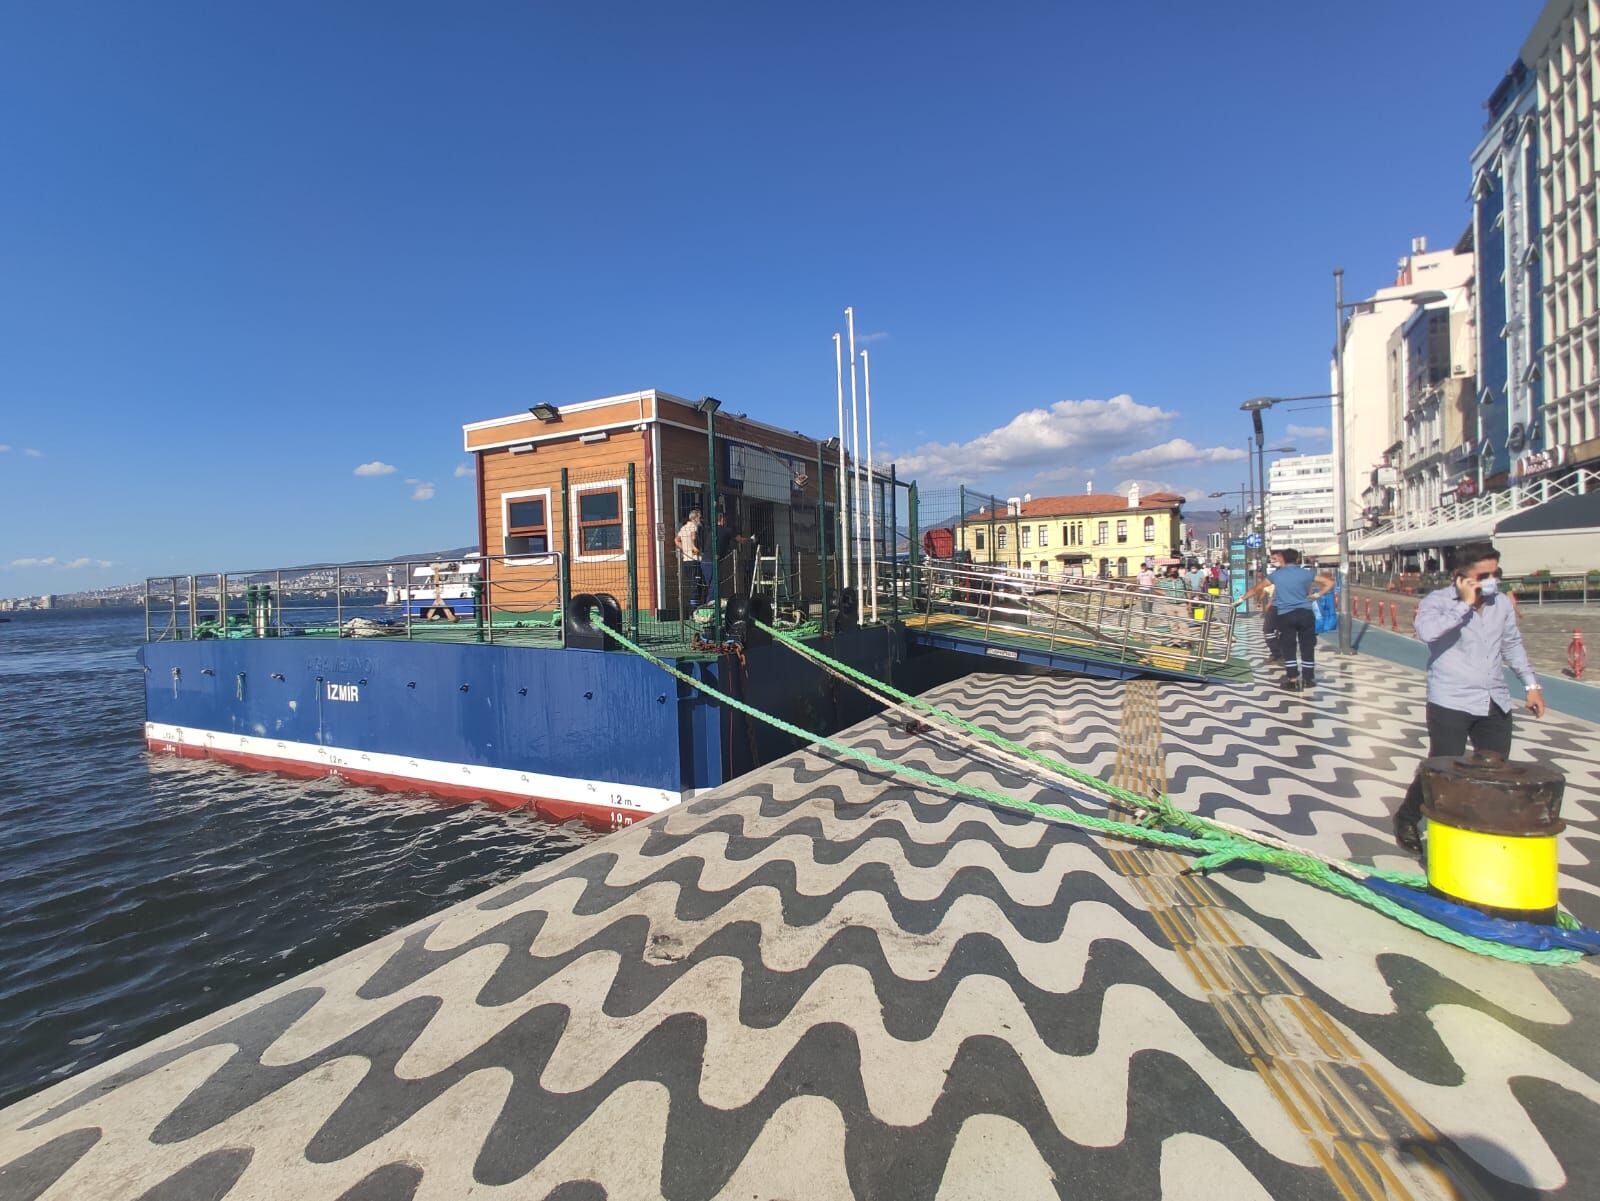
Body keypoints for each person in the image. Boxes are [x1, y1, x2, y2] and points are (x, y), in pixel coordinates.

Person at [1391, 542, 1546, 853]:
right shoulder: (1438, 602)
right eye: (1483, 575)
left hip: (1494, 698)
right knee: (1442, 766)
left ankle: (1479, 829)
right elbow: (1427, 633)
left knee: (1495, 768)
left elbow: (1512, 644)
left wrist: (1531, 685)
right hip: (1451, 698)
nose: (1492, 580)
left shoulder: (1501, 604)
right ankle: (1407, 817)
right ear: (1461, 576)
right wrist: (1464, 604)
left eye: (1496, 573)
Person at [1236, 548, 1335, 690]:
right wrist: (1317, 595)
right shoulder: (1306, 573)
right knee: (1307, 646)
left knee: (1289, 647)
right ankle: (1308, 679)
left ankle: (1292, 678)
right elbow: (1329, 583)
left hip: (1285, 614)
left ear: (1283, 558)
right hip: (1306, 613)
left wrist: (1241, 599)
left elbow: (1257, 588)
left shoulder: (1277, 575)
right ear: (1297, 559)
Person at [675, 509, 705, 607]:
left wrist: (684, 548)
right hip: (694, 559)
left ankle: (693, 606)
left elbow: (676, 540)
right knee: (696, 584)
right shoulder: (694, 526)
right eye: (699, 517)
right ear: (694, 518)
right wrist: (694, 549)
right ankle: (695, 608)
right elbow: (693, 538)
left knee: (691, 584)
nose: (700, 519)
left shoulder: (683, 528)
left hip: (686, 560)